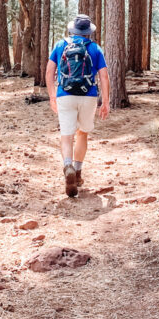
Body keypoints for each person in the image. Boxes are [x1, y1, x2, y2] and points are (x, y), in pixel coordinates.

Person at [46, 14, 109, 198]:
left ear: (72, 29)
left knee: (67, 136)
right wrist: (105, 101)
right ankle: (78, 172)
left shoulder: (60, 45)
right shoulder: (95, 48)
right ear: (88, 32)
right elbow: (104, 77)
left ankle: (68, 166)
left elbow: (50, 71)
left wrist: (52, 95)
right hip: (88, 96)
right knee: (82, 133)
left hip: (64, 95)